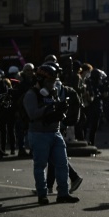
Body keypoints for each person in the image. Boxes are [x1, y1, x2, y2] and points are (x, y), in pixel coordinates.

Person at [23, 63, 79, 205]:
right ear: (41, 80)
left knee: (62, 164)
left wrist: (62, 110)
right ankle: (42, 194)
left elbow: (55, 110)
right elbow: (32, 114)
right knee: (40, 165)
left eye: (53, 81)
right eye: (49, 81)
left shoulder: (53, 92)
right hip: (39, 133)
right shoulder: (31, 94)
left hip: (55, 132)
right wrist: (50, 108)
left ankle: (63, 193)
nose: (52, 84)